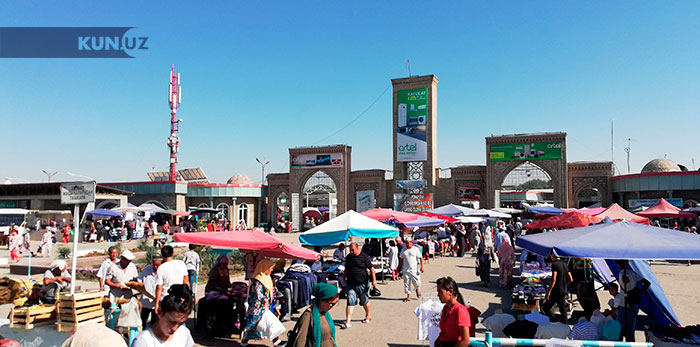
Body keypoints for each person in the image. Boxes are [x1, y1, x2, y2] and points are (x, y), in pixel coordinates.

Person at [241, 259, 283, 346]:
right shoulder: (258, 279)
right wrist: (264, 299)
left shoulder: (267, 277)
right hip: (256, 307)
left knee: (270, 321)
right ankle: (244, 341)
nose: (271, 270)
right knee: (252, 324)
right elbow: (258, 292)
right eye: (270, 268)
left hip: (264, 307)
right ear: (264, 268)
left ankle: (276, 341)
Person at [341, 242, 377, 330]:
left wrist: (374, 281)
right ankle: (348, 322)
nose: (351, 252)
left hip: (363, 284)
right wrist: (344, 277)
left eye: (352, 250)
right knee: (350, 301)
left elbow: (372, 269)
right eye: (350, 250)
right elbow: (347, 268)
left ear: (358, 248)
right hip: (351, 283)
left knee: (364, 301)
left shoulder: (364, 257)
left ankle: (368, 315)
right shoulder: (349, 257)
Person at [293, 283, 340, 347]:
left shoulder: (325, 314)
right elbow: (300, 342)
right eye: (331, 304)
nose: (332, 307)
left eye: (335, 303)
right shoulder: (308, 316)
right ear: (322, 300)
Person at [615, 260, 650, 342]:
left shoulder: (621, 274)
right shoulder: (633, 273)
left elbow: (625, 282)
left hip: (623, 304)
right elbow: (647, 283)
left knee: (619, 330)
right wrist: (639, 292)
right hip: (633, 304)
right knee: (630, 330)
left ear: (618, 264)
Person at [436, 276, 471, 347]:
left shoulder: (460, 310)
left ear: (450, 292)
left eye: (440, 292)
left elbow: (465, 341)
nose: (438, 295)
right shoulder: (446, 308)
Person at [154, 246, 189, 313]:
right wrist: (187, 295)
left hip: (166, 298)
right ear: (173, 254)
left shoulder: (161, 268)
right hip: (179, 297)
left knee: (166, 320)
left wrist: (157, 304)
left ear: (162, 255)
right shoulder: (181, 264)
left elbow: (159, 287)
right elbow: (186, 280)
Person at [542, 251, 572, 323]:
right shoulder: (564, 264)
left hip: (556, 290)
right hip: (563, 290)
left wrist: (548, 292)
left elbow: (554, 279)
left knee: (546, 307)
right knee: (563, 310)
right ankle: (564, 325)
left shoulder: (555, 264)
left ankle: (554, 320)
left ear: (552, 255)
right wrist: (564, 284)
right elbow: (571, 279)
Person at [139, 254, 163, 329]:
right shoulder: (146, 270)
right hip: (145, 301)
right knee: (143, 321)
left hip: (157, 303)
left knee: (155, 323)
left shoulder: (163, 271)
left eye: (157, 265)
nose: (155, 267)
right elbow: (140, 282)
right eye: (154, 265)